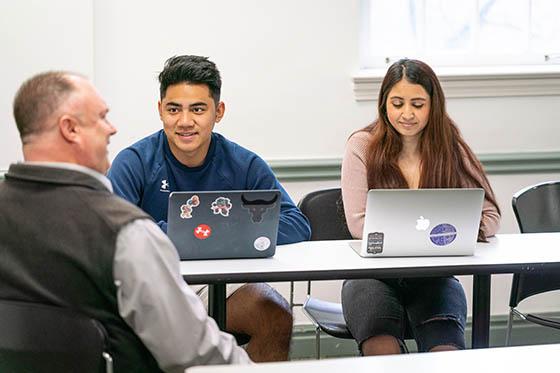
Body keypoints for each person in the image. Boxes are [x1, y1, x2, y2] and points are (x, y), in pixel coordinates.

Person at [0, 71, 251, 372]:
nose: (112, 129)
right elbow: (194, 352)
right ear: (71, 129)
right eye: (102, 117)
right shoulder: (125, 233)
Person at [108, 55, 311, 361]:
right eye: (174, 109)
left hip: (223, 289)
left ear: (219, 112)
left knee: (274, 313)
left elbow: (296, 223)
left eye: (198, 109)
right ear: (160, 110)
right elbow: (113, 235)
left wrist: (224, 232)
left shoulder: (243, 163)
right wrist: (198, 234)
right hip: (154, 291)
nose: (185, 121)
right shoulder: (134, 162)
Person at [340, 59, 501, 355]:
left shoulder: (449, 144)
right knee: (382, 350)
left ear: (433, 105)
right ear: (383, 104)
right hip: (371, 276)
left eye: (417, 104)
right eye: (397, 103)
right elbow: (359, 224)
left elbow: (490, 215)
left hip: (434, 277)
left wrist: (463, 231)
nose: (407, 114)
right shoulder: (362, 145)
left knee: (446, 353)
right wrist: (434, 238)